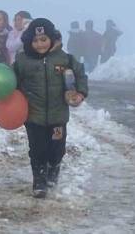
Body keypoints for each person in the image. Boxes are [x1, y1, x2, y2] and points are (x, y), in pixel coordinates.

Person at [13, 18, 88, 198]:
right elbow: (12, 81)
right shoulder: (23, 61)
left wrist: (80, 93)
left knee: (57, 149)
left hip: (58, 115)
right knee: (37, 149)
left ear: (52, 39)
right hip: (33, 115)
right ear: (29, 42)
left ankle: (54, 167)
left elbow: (80, 76)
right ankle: (39, 180)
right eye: (35, 41)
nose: (39, 44)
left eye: (44, 40)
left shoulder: (65, 59)